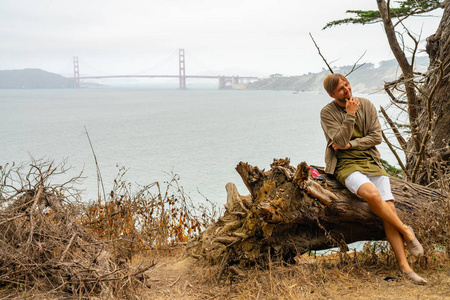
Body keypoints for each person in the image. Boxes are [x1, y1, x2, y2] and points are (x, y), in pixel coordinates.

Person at [320, 73, 427, 285]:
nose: (347, 90)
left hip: (371, 162)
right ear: (332, 94)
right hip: (345, 165)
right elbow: (338, 140)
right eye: (341, 89)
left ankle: (406, 269)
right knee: (371, 194)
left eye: (347, 85)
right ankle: (407, 231)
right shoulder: (327, 113)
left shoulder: (367, 105)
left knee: (390, 211)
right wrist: (350, 115)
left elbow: (376, 137)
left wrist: (351, 144)